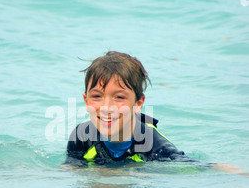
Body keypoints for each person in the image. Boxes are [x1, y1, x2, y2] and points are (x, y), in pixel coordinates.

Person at [65, 51, 247, 174]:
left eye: (119, 97)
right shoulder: (81, 136)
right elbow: (71, 170)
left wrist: (231, 171)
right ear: (86, 100)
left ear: (138, 103)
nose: (106, 107)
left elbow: (192, 166)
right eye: (97, 96)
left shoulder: (151, 142)